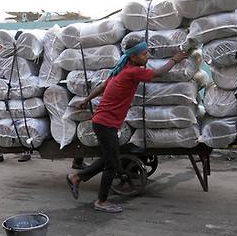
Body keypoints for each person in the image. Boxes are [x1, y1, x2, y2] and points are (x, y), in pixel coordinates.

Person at [65, 38, 189, 213]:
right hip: (105, 123)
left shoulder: (120, 71)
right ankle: (101, 200)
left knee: (110, 159)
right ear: (133, 57)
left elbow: (102, 87)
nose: (147, 57)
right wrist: (176, 59)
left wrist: (85, 100)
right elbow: (159, 73)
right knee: (112, 164)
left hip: (104, 122)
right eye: (144, 54)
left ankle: (76, 177)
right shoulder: (132, 72)